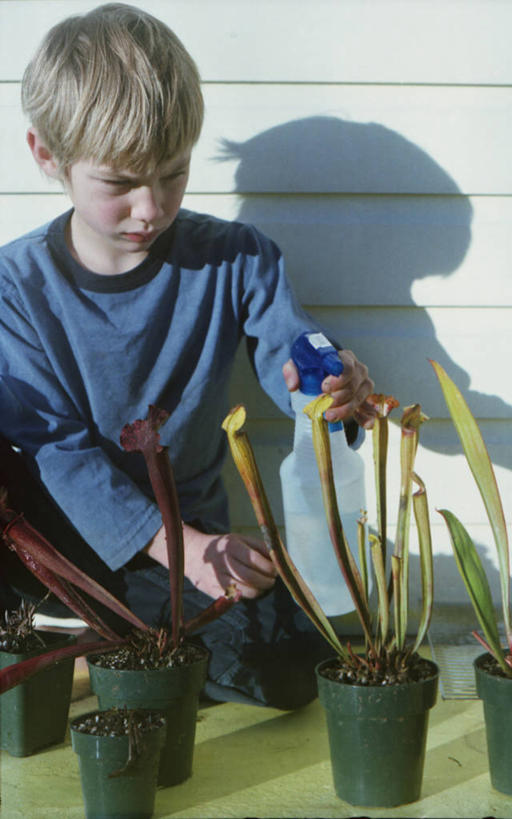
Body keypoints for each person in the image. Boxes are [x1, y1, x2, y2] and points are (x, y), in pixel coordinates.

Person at [0, 3, 375, 708]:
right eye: (119, 184)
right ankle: (72, 635)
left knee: (297, 667)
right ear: (47, 156)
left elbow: (298, 351)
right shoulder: (13, 289)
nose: (151, 207)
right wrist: (189, 552)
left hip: (190, 555)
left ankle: (96, 651)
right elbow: (58, 451)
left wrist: (332, 387)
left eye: (173, 174)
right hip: (60, 552)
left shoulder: (235, 259)